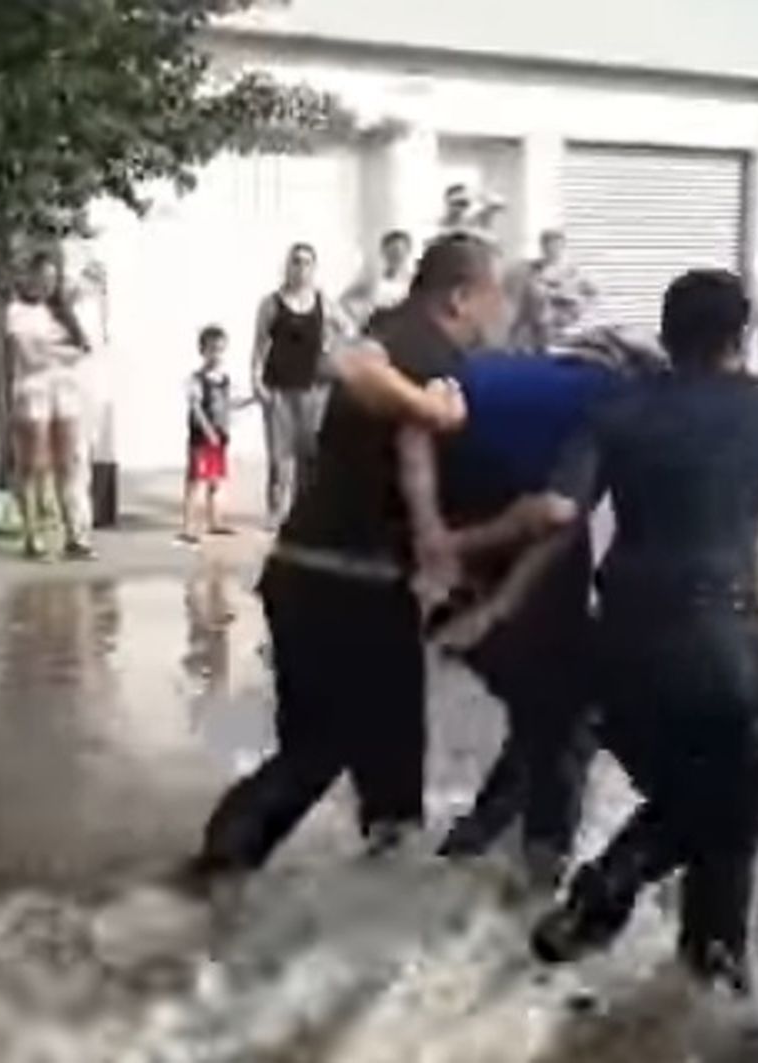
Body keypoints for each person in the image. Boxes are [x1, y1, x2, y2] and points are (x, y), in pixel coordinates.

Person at [469, 271, 758, 995]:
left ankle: (619, 916)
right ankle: (619, 893)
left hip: (622, 645)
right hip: (727, 639)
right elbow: (712, 403)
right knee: (735, 805)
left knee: (703, 799)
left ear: (665, 331)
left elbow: (556, 511)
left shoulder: (619, 413)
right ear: (739, 336)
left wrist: (463, 542)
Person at [186, 233, 503, 886]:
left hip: (303, 571)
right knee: (379, 761)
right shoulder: (426, 348)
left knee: (317, 749)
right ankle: (375, 912)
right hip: (354, 587)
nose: (497, 318)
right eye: (493, 300)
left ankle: (225, 867)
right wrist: (433, 410)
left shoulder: (396, 327)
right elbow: (349, 366)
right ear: (461, 295)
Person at [396, 330, 667, 889]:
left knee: (545, 713)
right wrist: (482, 584)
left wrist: (431, 531)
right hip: (498, 542)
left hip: (438, 536)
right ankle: (539, 873)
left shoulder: (492, 369)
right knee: (569, 719)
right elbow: (555, 513)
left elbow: (415, 419)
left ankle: (473, 845)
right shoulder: (618, 403)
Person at [252, 242, 351, 530]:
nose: (301, 267)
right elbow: (259, 345)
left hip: (313, 389)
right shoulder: (271, 303)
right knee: (279, 455)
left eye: (307, 262)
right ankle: (276, 510)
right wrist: (256, 380)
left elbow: (348, 329)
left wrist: (333, 353)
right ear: (287, 265)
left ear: (314, 268)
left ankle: (304, 511)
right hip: (278, 388)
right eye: (296, 261)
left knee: (308, 453)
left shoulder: (323, 301)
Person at [5, 251, 95, 561]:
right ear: (29, 277)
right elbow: (29, 355)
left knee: (67, 464)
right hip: (34, 390)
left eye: (52, 278)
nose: (46, 283)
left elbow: (83, 348)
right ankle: (35, 535)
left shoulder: (61, 312)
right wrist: (62, 352)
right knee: (34, 465)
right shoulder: (17, 311)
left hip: (65, 391)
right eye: (41, 276)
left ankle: (76, 534)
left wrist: (56, 351)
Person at [179, 325, 236, 544]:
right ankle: (188, 528)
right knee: (195, 481)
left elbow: (228, 405)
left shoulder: (225, 379)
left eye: (220, 350)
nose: (217, 355)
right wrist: (208, 430)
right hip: (202, 438)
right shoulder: (196, 379)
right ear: (202, 350)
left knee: (215, 481)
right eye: (212, 349)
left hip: (220, 437)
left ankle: (215, 522)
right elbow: (196, 407)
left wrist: (252, 401)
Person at [510, 229, 599, 351]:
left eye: (555, 246)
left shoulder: (572, 270)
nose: (551, 250)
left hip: (562, 320)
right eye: (547, 246)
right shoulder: (533, 268)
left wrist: (581, 307)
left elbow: (594, 292)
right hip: (537, 322)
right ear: (542, 247)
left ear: (562, 247)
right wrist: (515, 330)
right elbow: (524, 301)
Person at [341, 230, 415, 334]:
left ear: (408, 252)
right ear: (383, 252)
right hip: (377, 333)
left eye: (400, 251)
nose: (396, 256)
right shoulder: (372, 280)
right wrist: (359, 317)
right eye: (392, 251)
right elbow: (344, 299)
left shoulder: (416, 281)